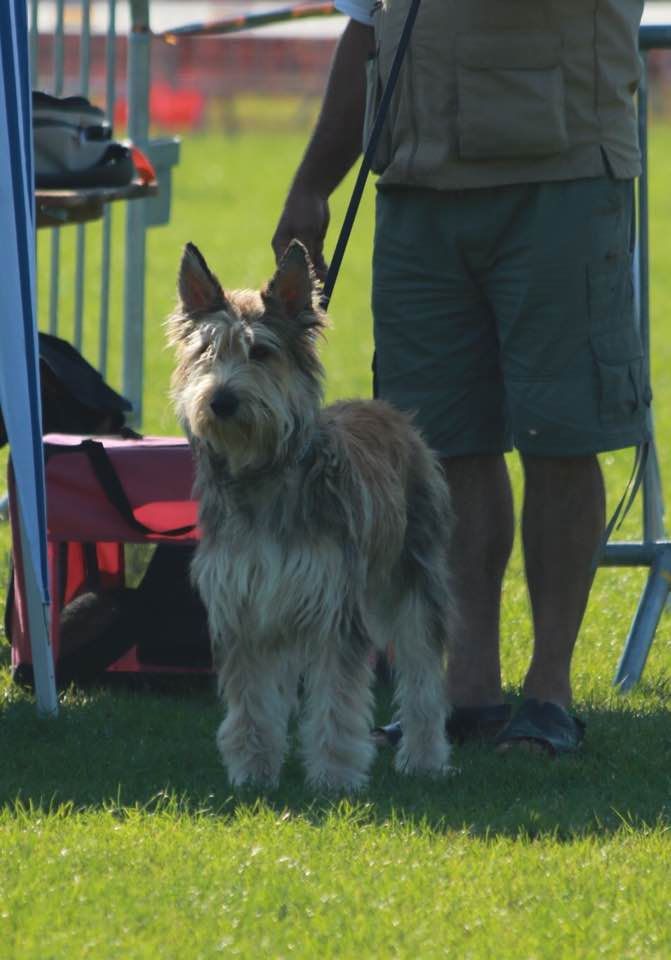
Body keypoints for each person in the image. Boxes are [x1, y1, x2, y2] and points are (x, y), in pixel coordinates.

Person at [272, 0, 650, 754]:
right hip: (418, 189)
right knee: (442, 447)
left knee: (558, 435)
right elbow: (366, 24)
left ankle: (549, 693)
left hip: (561, 175)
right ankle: (467, 689)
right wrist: (313, 182)